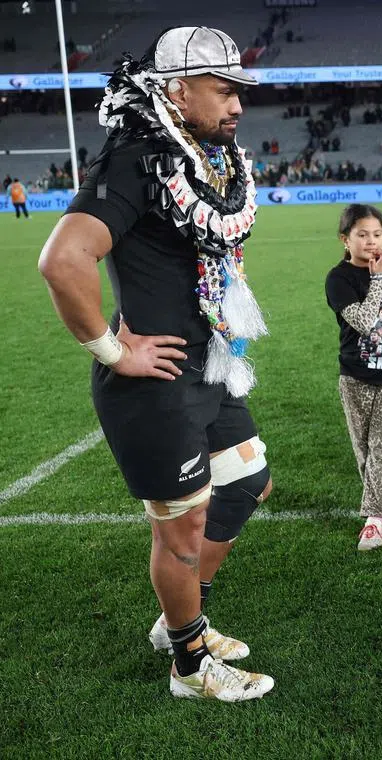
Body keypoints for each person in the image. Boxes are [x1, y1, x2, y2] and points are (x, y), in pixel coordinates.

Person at [37, 27, 275, 702]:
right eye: (223, 89)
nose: (236, 106)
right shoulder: (137, 157)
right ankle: (190, 665)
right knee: (182, 527)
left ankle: (180, 622)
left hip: (206, 366)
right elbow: (63, 259)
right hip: (156, 382)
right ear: (176, 89)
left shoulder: (201, 153)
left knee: (249, 480)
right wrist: (115, 351)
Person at [325, 204, 382, 551]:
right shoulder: (338, 279)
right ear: (345, 240)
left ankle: (376, 518)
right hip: (355, 374)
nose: (370, 241)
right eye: (362, 235)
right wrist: (377, 280)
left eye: (377, 235)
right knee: (364, 448)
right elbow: (364, 321)